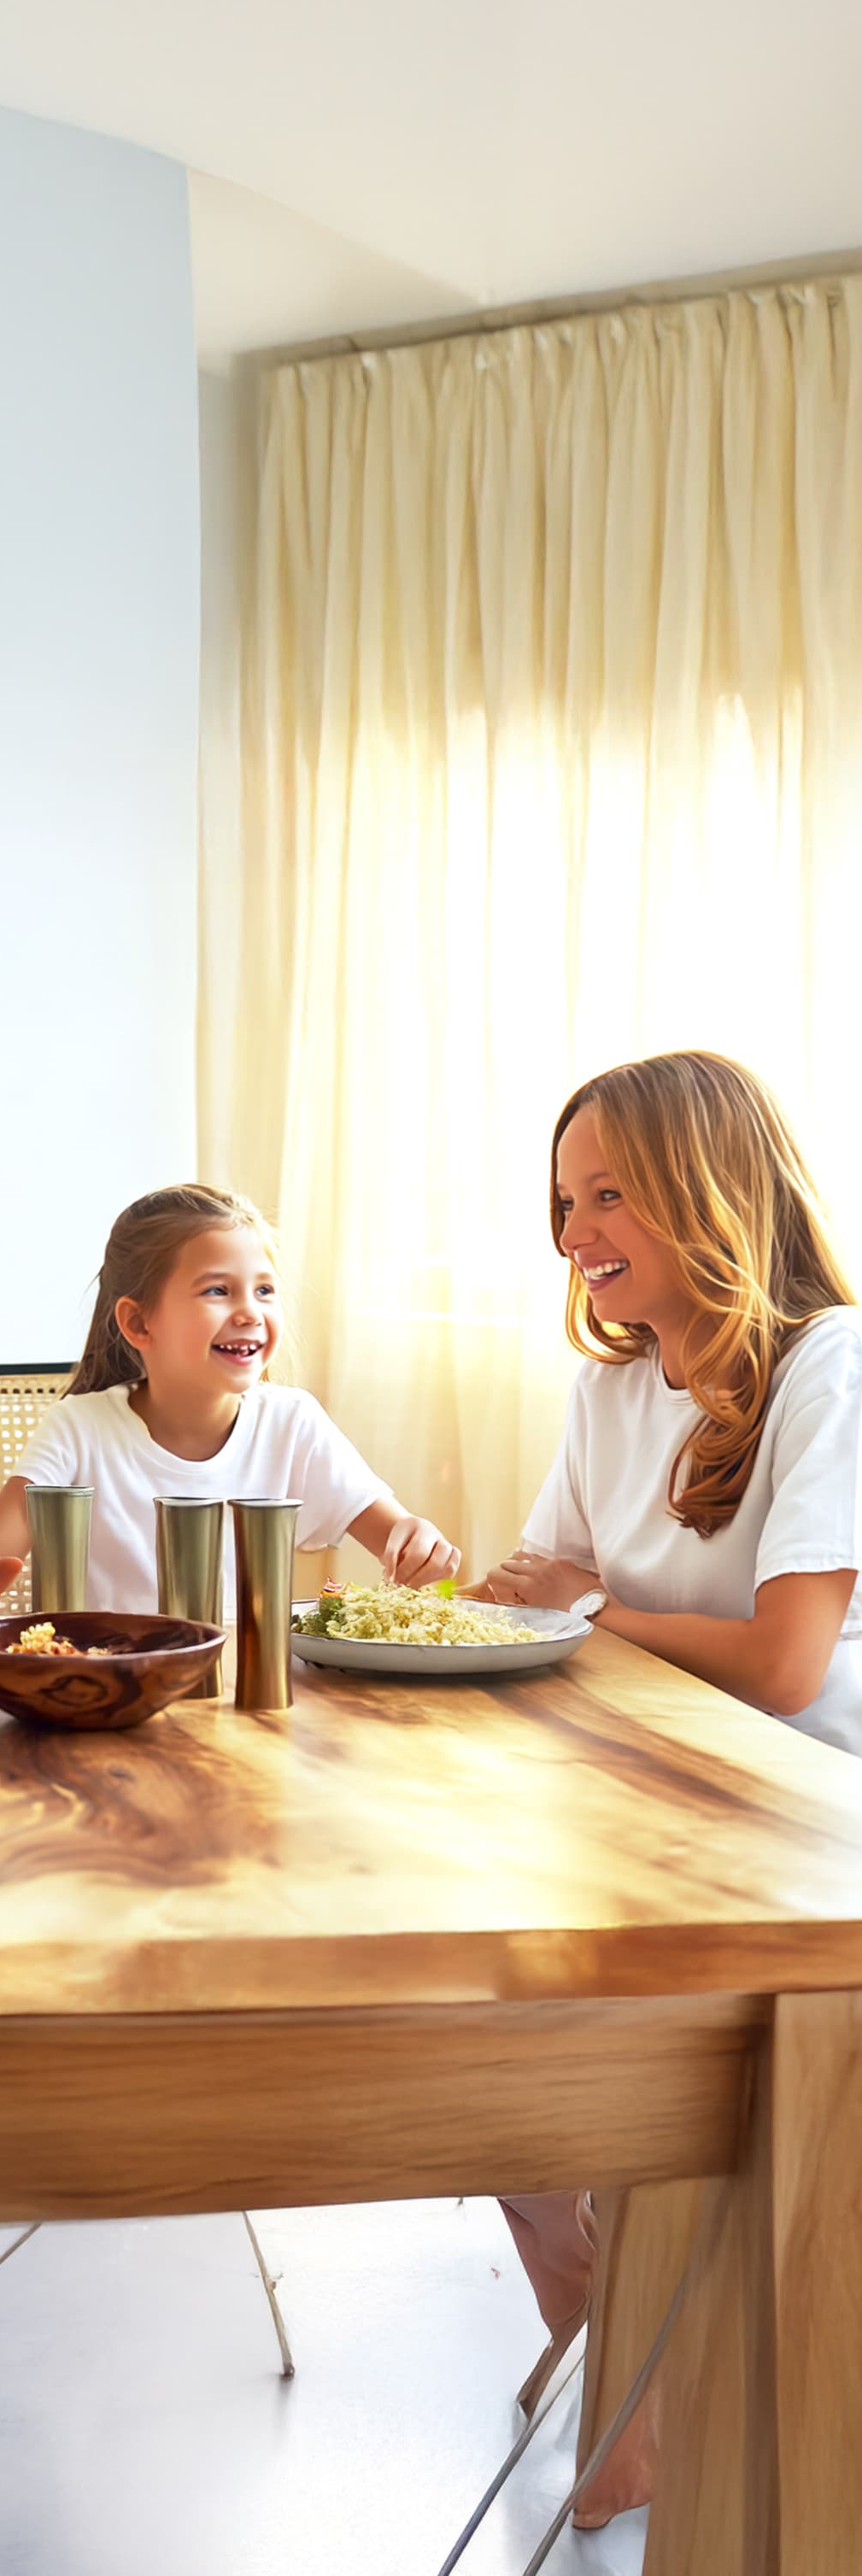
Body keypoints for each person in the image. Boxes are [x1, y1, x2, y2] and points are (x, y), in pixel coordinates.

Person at [482, 1050, 862, 2525]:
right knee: (478, 2015)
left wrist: (588, 1611)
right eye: (563, 1202)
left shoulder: (831, 1366)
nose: (573, 1234)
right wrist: (554, 1610)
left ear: (706, 1186)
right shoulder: (614, 1388)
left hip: (810, 1824)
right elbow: (524, 1598)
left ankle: (646, 2381)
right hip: (656, 1797)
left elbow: (782, 1665)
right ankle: (607, 2336)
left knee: (596, 2032)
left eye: (606, 1194)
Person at [0, 1181, 460, 1613]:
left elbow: (398, 1538)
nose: (250, 1311)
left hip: (245, 1693)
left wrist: (418, 1543)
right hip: (110, 1688)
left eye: (264, 1290)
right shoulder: (79, 1429)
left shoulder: (292, 1423)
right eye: (218, 1290)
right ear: (138, 1322)